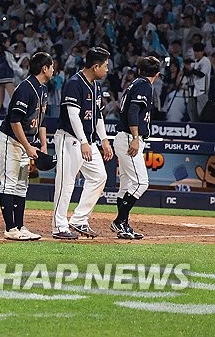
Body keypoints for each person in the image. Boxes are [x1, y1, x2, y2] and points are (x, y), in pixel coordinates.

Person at [51, 47, 113, 240]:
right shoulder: (74, 83)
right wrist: (84, 141)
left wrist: (104, 140)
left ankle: (79, 219)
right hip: (70, 139)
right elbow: (73, 115)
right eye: (105, 66)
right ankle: (58, 226)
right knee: (65, 183)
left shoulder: (95, 86)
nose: (107, 69)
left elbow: (99, 115)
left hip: (88, 140)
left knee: (99, 176)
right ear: (95, 66)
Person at [0, 51, 52, 241]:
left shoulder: (43, 90)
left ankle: (19, 226)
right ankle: (10, 228)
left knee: (21, 186)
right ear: (44, 68)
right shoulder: (25, 88)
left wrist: (43, 145)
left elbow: (41, 121)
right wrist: (28, 146)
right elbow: (14, 120)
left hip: (25, 143)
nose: (53, 70)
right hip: (10, 140)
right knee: (9, 183)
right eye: (51, 67)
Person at [111, 55, 162, 239]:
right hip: (129, 139)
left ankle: (123, 225)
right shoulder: (144, 85)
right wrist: (134, 137)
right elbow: (133, 111)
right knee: (141, 183)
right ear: (157, 73)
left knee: (126, 184)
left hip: (124, 138)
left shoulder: (135, 83)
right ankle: (119, 221)